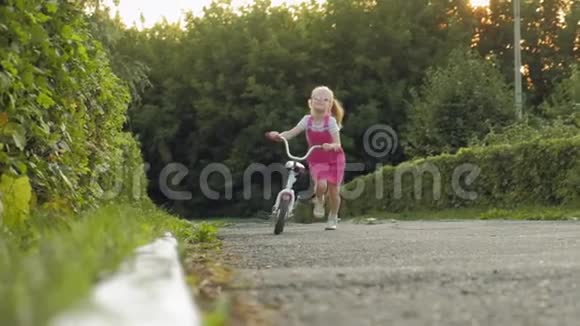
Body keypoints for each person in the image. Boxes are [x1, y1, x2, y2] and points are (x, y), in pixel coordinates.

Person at [266, 86, 345, 230]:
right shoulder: (307, 120)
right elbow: (290, 133)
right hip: (316, 158)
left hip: (335, 158)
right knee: (321, 185)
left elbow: (337, 143)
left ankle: (333, 216)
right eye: (317, 98)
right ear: (310, 102)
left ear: (330, 104)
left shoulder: (331, 122)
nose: (320, 100)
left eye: (325, 99)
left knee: (334, 191)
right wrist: (279, 136)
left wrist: (331, 146)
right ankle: (319, 200)